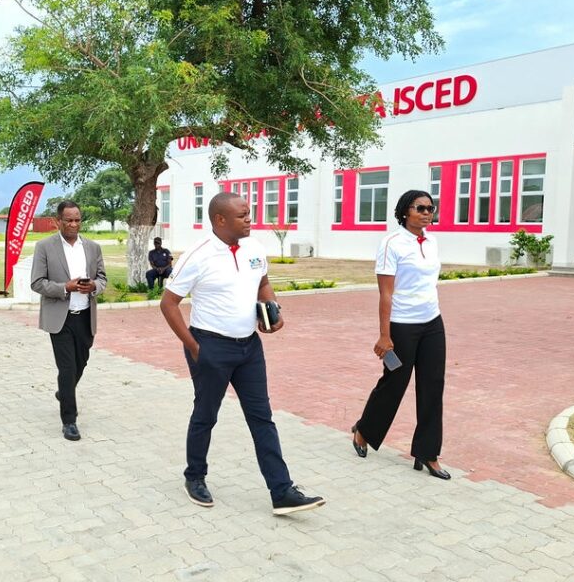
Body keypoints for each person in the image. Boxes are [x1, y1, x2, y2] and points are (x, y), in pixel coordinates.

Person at [160, 192, 325, 515]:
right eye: (243, 215)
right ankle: (195, 476)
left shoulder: (254, 249)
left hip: (249, 347)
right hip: (210, 346)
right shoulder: (198, 255)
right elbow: (168, 304)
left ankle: (282, 491)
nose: (250, 219)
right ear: (220, 220)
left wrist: (272, 309)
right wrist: (195, 348)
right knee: (206, 414)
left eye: (249, 213)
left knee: (262, 417)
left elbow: (262, 283)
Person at [351, 189, 450, 479]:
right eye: (420, 208)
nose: (427, 213)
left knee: (433, 386)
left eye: (431, 208)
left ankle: (427, 452)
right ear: (405, 211)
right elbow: (386, 294)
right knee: (395, 382)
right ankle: (364, 430)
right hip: (402, 324)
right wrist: (385, 335)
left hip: (432, 322)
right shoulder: (391, 243)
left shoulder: (431, 241)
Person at [31, 201, 107, 441]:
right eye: (69, 220)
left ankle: (64, 392)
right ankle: (69, 421)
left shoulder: (93, 247)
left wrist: (94, 286)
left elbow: (102, 278)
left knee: (81, 363)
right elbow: (37, 282)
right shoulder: (44, 247)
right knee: (67, 368)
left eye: (77, 220)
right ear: (58, 221)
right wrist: (66, 287)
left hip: (85, 316)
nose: (74, 224)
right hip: (59, 318)